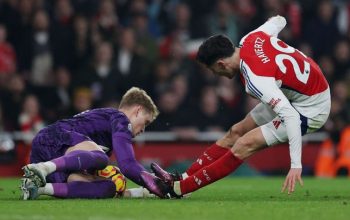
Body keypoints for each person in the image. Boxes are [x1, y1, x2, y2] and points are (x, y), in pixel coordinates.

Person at [142, 15, 331, 198]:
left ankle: (179, 189)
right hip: (296, 93)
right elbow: (280, 20)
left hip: (312, 108)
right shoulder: (250, 38)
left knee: (244, 144)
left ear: (221, 64)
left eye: (213, 70)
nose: (215, 75)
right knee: (236, 132)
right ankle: (183, 178)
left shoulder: (255, 79)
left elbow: (289, 115)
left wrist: (296, 164)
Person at [21, 87, 160, 200]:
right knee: (101, 159)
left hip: (54, 154)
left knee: (108, 188)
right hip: (53, 137)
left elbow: (78, 177)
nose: (143, 129)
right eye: (145, 122)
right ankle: (43, 168)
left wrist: (139, 192)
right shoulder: (120, 118)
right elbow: (127, 164)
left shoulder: (104, 137)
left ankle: (38, 188)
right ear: (138, 110)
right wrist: (156, 183)